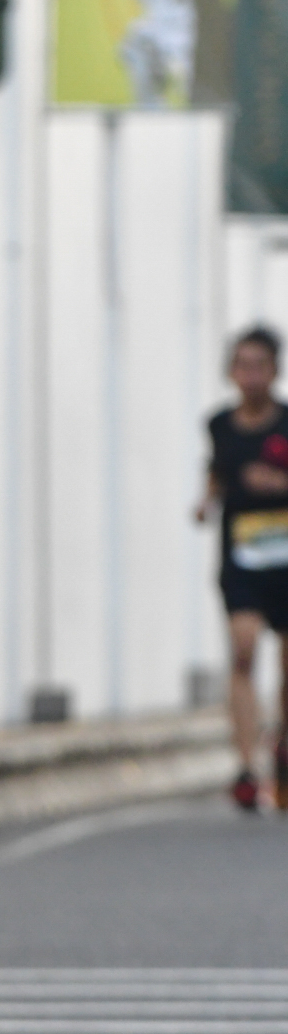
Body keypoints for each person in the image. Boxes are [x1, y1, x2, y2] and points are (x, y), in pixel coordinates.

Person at [196, 326, 288, 811]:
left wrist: (276, 484)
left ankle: (282, 747)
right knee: (244, 651)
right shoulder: (219, 425)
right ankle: (247, 766)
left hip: (285, 560)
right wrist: (206, 501)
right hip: (243, 558)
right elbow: (216, 472)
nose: (251, 376)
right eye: (242, 365)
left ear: (274, 371)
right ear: (231, 371)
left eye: (260, 366)